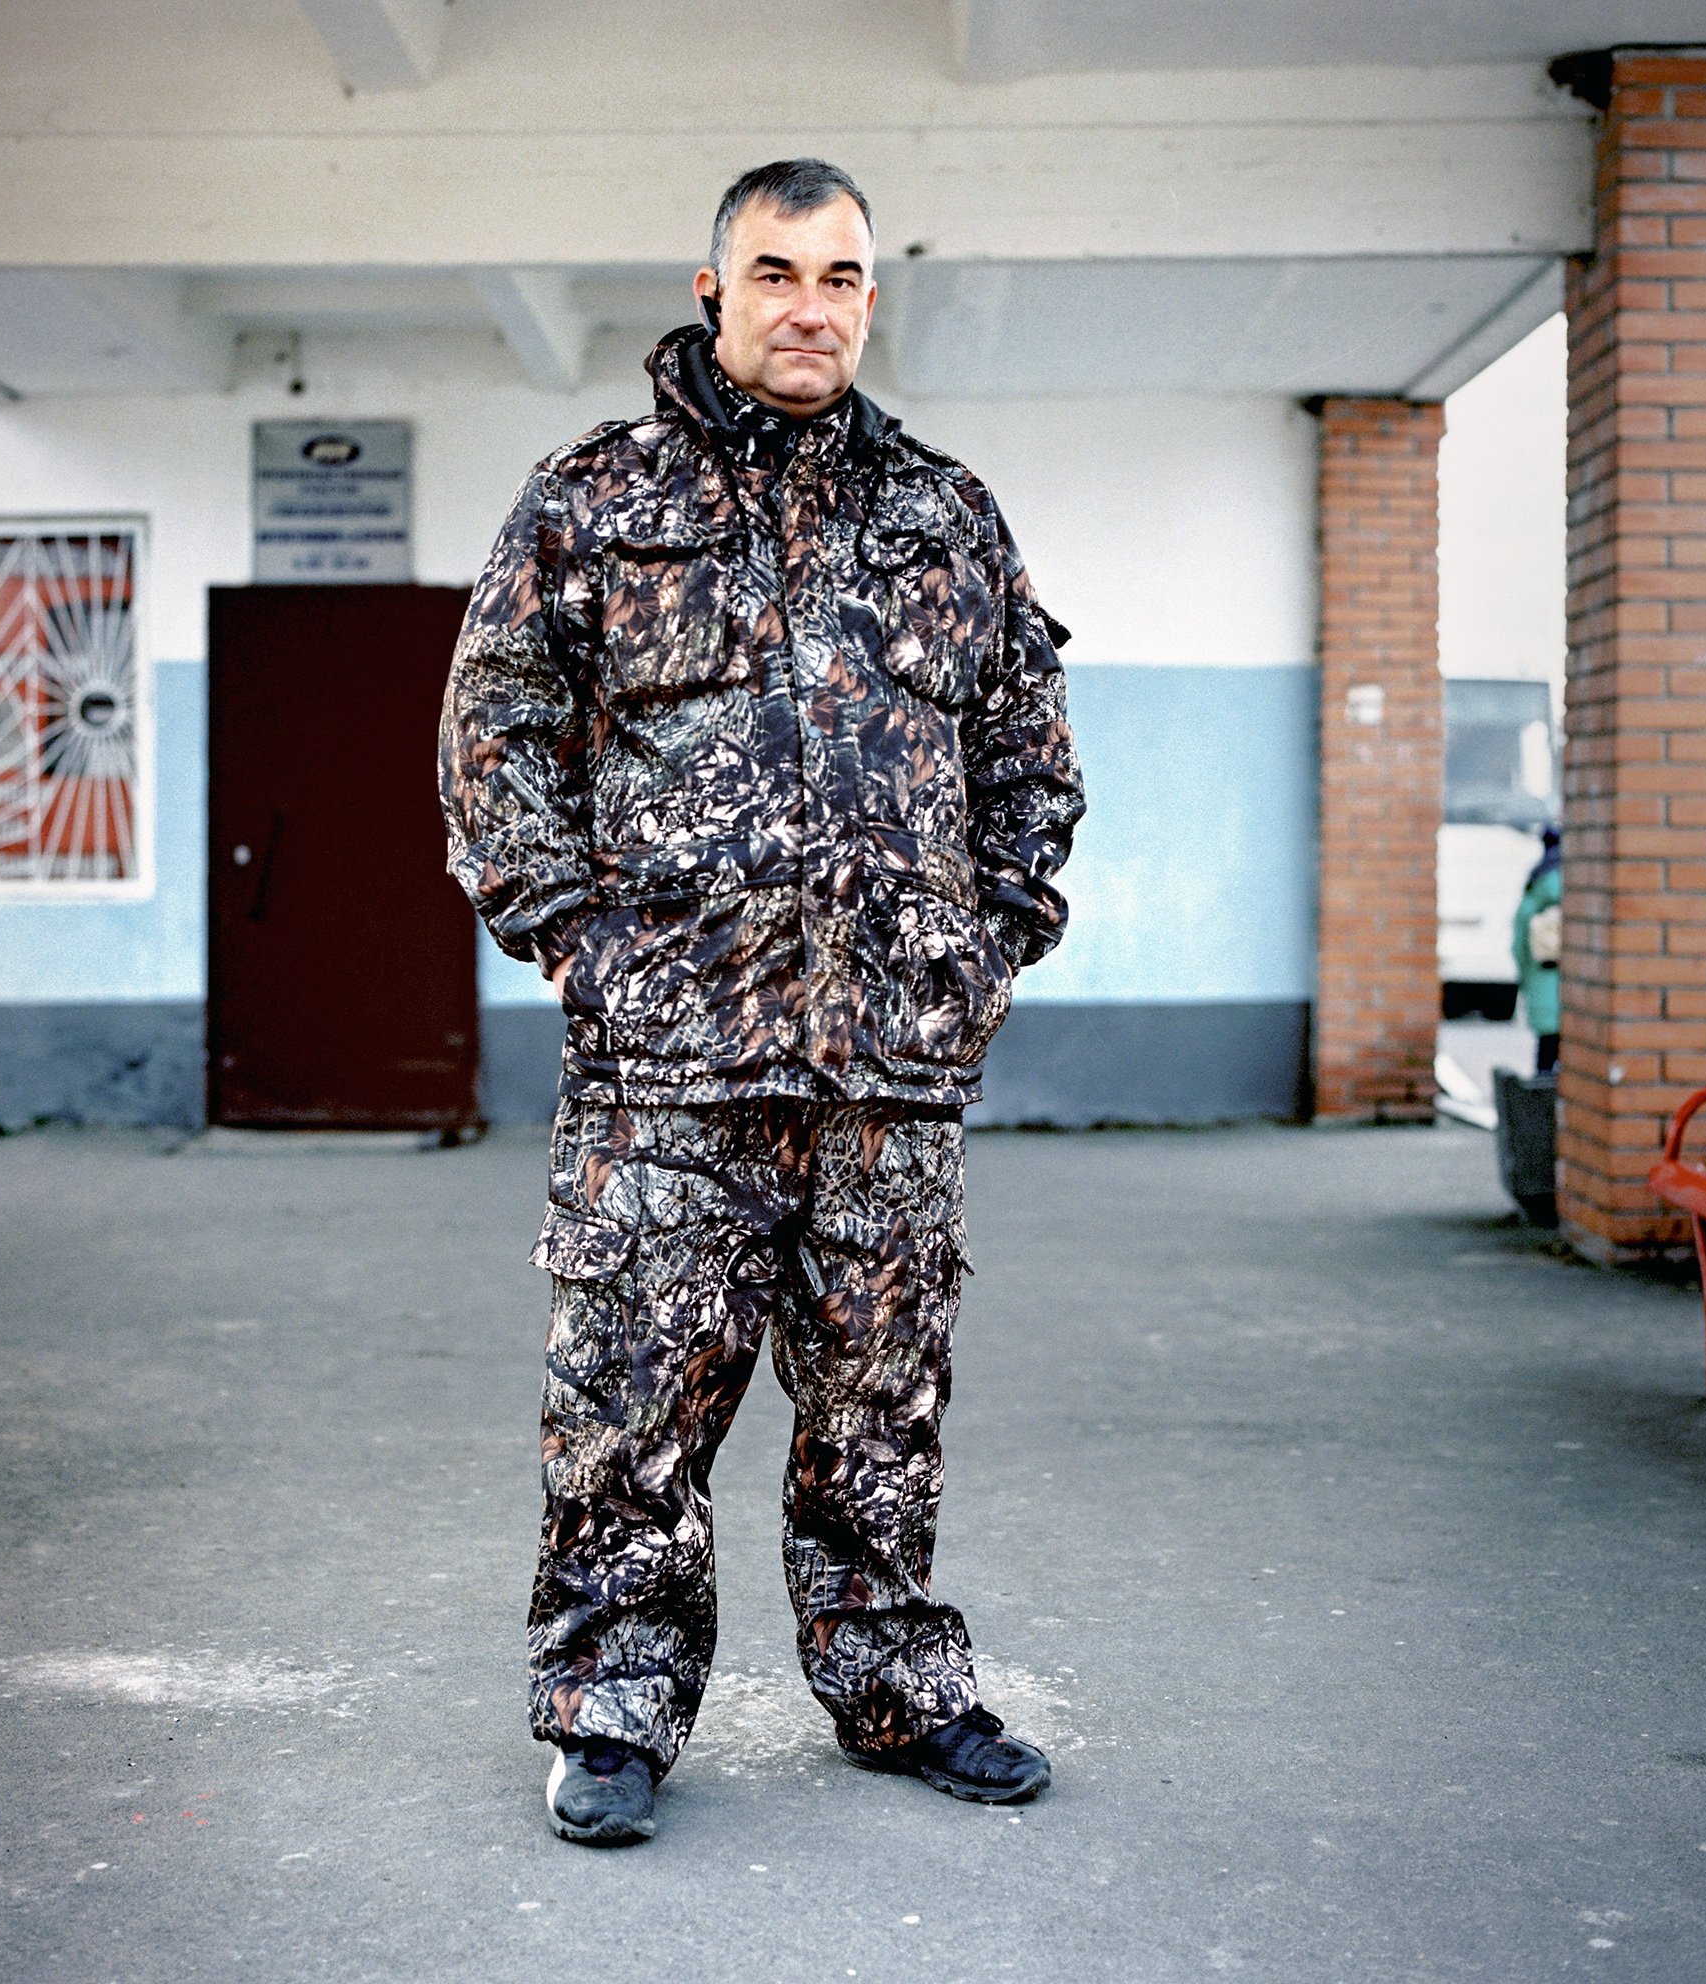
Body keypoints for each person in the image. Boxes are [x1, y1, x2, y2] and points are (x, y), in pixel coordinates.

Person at [439, 158, 1087, 1847]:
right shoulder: (595, 498)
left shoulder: (943, 513)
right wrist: (571, 941)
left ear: (871, 297)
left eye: (843, 276)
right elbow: (495, 729)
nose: (813, 306)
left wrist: (984, 944)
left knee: (883, 1403)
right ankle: (610, 1709)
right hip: (667, 1068)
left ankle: (895, 1687)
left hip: (890, 1072)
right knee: (630, 1406)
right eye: (779, 272)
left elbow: (1026, 751)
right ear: (713, 289)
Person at [1513, 824, 1561, 1073]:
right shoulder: (1582, 887)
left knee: (1545, 1060)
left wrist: (1525, 980)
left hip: (1543, 988)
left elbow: (1518, 945)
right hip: (1581, 1002)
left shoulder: (1534, 890)